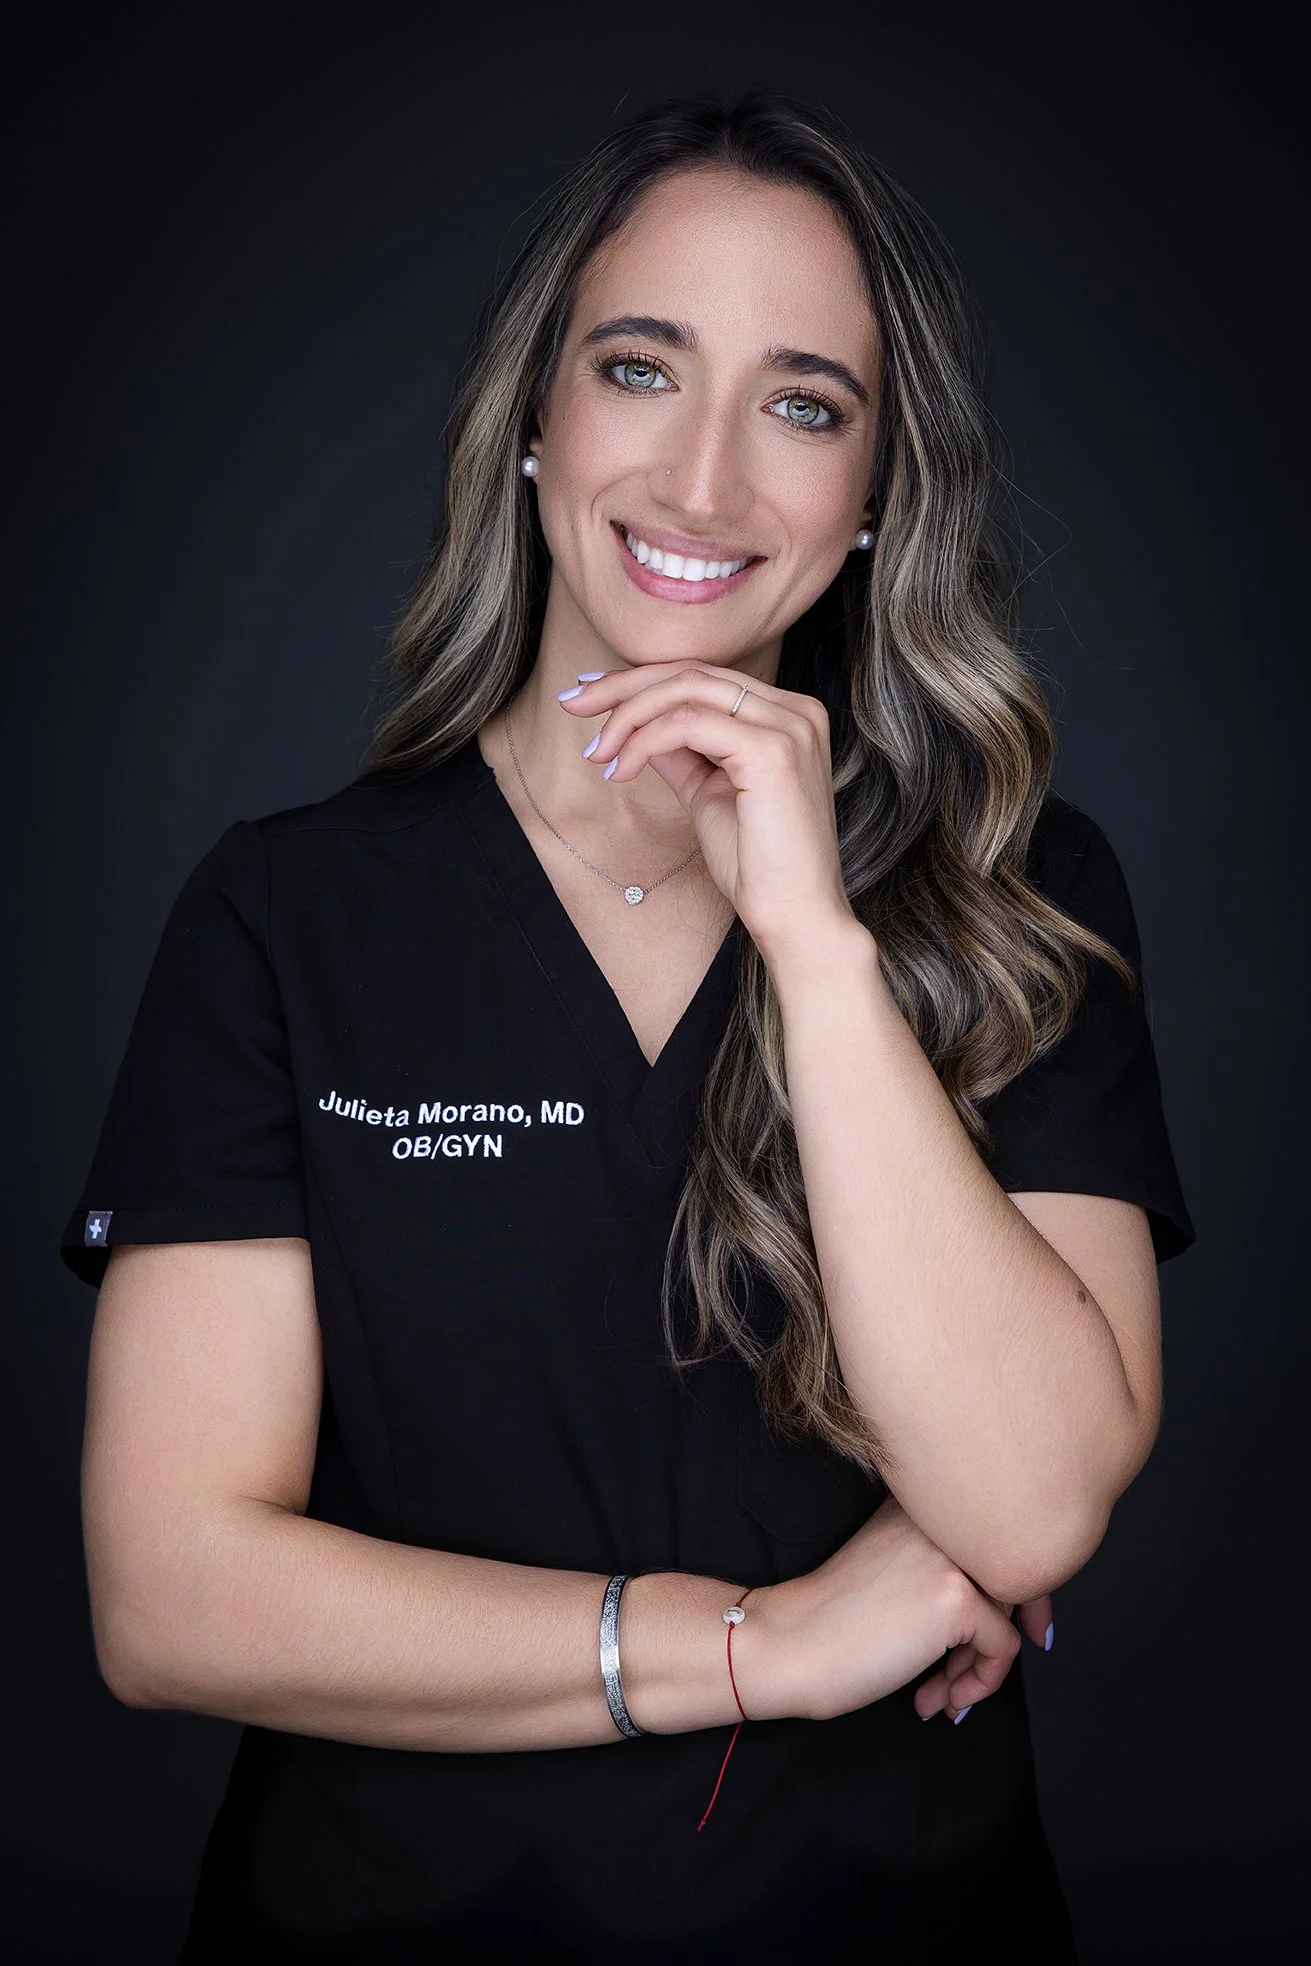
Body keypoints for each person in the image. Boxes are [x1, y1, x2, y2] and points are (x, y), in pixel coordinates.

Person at [62, 89, 1196, 1963]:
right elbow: (173, 1598)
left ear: (872, 500)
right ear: (533, 421)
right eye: (641, 367)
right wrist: (757, 1645)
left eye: (804, 405)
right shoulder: (284, 916)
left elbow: (1028, 1491)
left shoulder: (1013, 886)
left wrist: (813, 943)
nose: (703, 480)